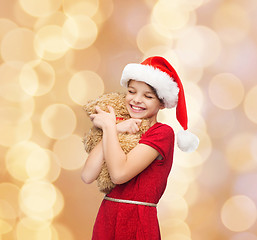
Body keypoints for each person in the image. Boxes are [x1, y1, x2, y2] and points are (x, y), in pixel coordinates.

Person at [82, 56, 199, 239]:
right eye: (131, 91)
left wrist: (109, 127)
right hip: (107, 217)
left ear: (161, 102)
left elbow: (119, 174)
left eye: (148, 96)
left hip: (137, 221)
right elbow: (87, 175)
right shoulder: (120, 127)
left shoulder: (162, 133)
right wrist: (115, 128)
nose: (136, 100)